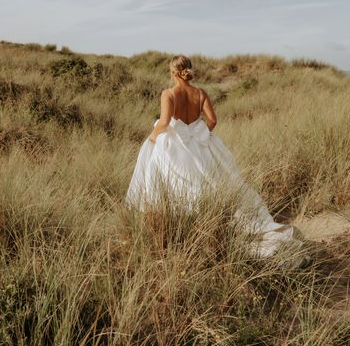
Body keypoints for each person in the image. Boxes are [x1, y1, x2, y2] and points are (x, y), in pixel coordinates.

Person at [125, 54, 304, 259]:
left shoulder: (168, 94)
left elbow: (165, 122)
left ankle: (183, 233)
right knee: (211, 182)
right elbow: (212, 120)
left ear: (173, 72)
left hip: (176, 148)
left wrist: (152, 138)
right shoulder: (200, 93)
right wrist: (199, 133)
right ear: (188, 70)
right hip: (201, 146)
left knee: (176, 185)